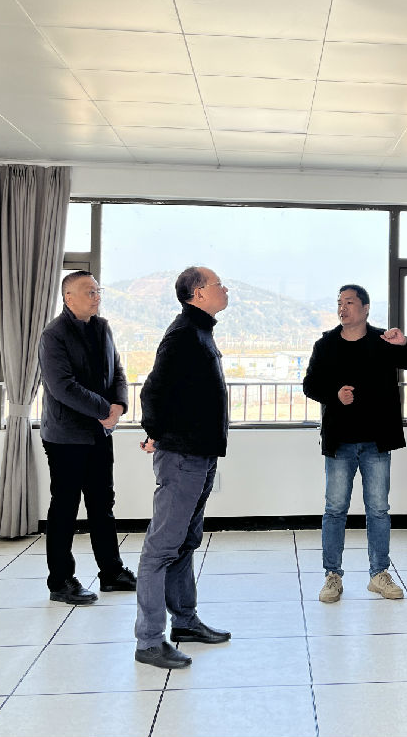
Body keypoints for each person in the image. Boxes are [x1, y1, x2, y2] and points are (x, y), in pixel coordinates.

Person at [302, 284, 407, 604]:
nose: (342, 308)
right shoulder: (326, 344)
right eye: (339, 303)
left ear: (366, 308)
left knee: (378, 510)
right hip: (340, 442)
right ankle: (332, 576)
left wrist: (405, 343)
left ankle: (379, 574)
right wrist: (334, 395)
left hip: (376, 441)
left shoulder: (383, 341)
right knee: (335, 510)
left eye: (349, 302)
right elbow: (310, 385)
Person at [133, 266, 233, 669]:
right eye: (218, 284)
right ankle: (148, 641)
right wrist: (156, 433)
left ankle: (185, 622)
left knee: (185, 543)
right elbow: (152, 390)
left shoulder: (200, 331)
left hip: (200, 454)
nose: (225, 289)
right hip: (182, 456)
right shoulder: (183, 334)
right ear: (198, 293)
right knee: (161, 548)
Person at [39, 270, 134, 605]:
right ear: (69, 297)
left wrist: (118, 405)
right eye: (89, 291)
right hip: (65, 436)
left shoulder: (103, 327)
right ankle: (60, 580)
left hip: (98, 432)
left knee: (102, 504)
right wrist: (104, 409)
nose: (97, 297)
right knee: (65, 508)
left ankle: (111, 572)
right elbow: (62, 386)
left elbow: (117, 370)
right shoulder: (54, 335)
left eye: (97, 290)